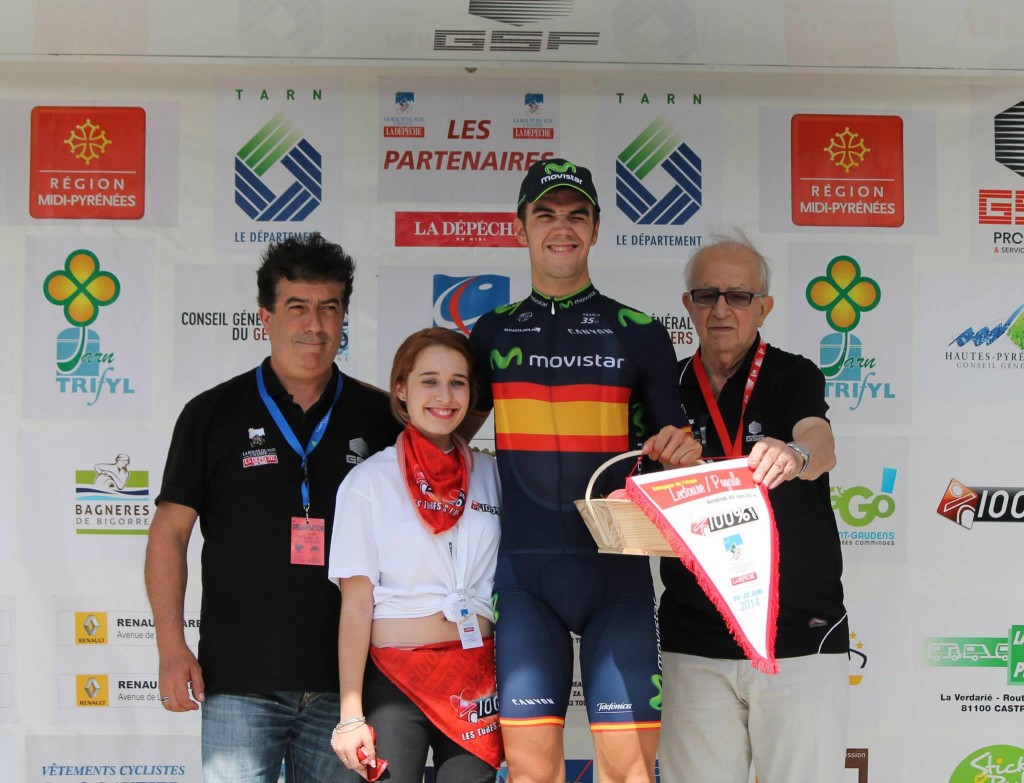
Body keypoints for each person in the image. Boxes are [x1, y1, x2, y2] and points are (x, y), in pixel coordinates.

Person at [459, 158, 698, 783]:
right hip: (523, 580)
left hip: (617, 577)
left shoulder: (639, 332)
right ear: (521, 228)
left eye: (576, 215)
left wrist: (681, 452)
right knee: (532, 775)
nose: (561, 227)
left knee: (629, 775)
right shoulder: (491, 332)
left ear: (595, 229)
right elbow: (448, 437)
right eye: (545, 215)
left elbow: (677, 446)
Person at [144, 233, 402, 783]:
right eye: (297, 307)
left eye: (329, 307)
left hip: (348, 689)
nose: (315, 324)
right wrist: (171, 646)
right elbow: (169, 532)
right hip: (239, 680)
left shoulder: (382, 418)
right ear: (265, 317)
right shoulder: (211, 413)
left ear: (344, 317)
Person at [658, 231, 849, 783]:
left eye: (739, 296)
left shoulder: (793, 373)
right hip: (697, 636)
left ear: (763, 307)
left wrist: (795, 453)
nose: (721, 309)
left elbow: (821, 443)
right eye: (707, 295)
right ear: (688, 305)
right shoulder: (666, 387)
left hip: (798, 635)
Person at [328, 328, 502, 783]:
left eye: (457, 382)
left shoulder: (492, 473)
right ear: (401, 389)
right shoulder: (368, 481)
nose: (444, 396)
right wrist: (350, 713)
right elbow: (356, 604)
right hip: (396, 676)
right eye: (429, 381)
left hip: (475, 674)